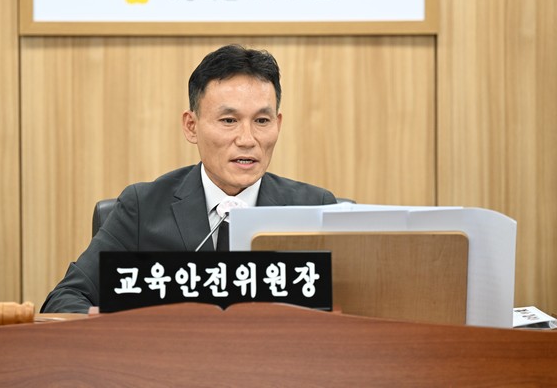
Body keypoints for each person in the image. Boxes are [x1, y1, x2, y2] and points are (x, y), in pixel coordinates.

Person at [41, 44, 337, 313]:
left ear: (278, 124)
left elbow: (351, 311)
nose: (247, 139)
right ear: (191, 126)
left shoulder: (315, 209)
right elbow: (65, 299)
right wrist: (118, 323)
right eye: (229, 120)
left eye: (261, 121)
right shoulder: (143, 208)